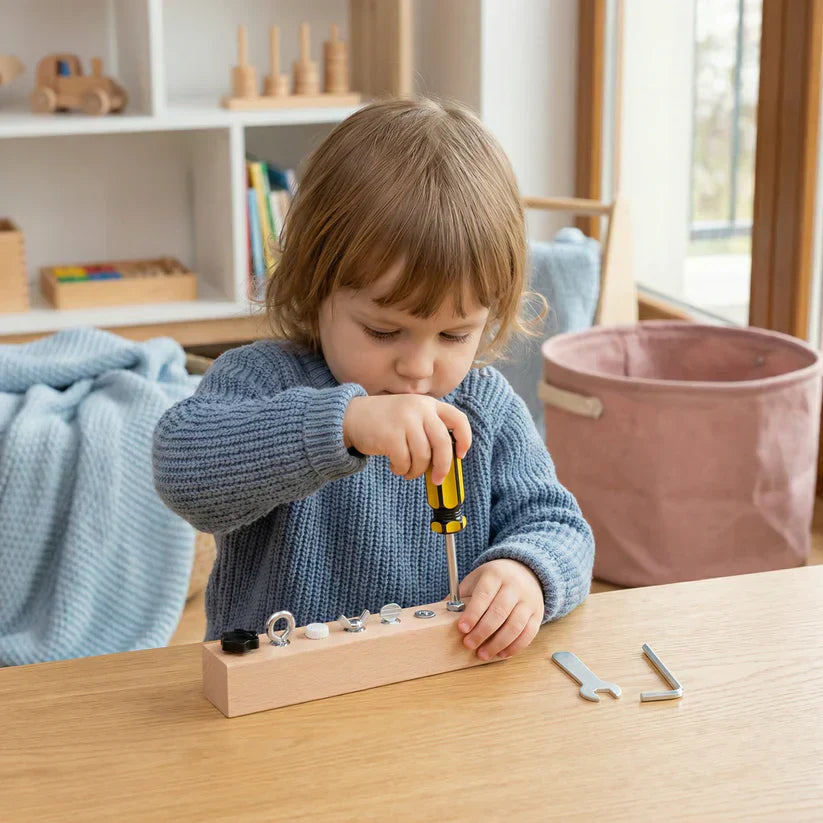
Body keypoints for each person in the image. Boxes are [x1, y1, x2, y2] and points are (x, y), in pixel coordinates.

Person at [153, 97, 594, 662]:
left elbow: (559, 524)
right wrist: (344, 424)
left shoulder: (487, 407)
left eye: (455, 336)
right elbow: (183, 468)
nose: (418, 367)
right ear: (316, 291)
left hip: (436, 690)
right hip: (279, 700)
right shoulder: (263, 378)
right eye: (385, 332)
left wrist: (525, 572)